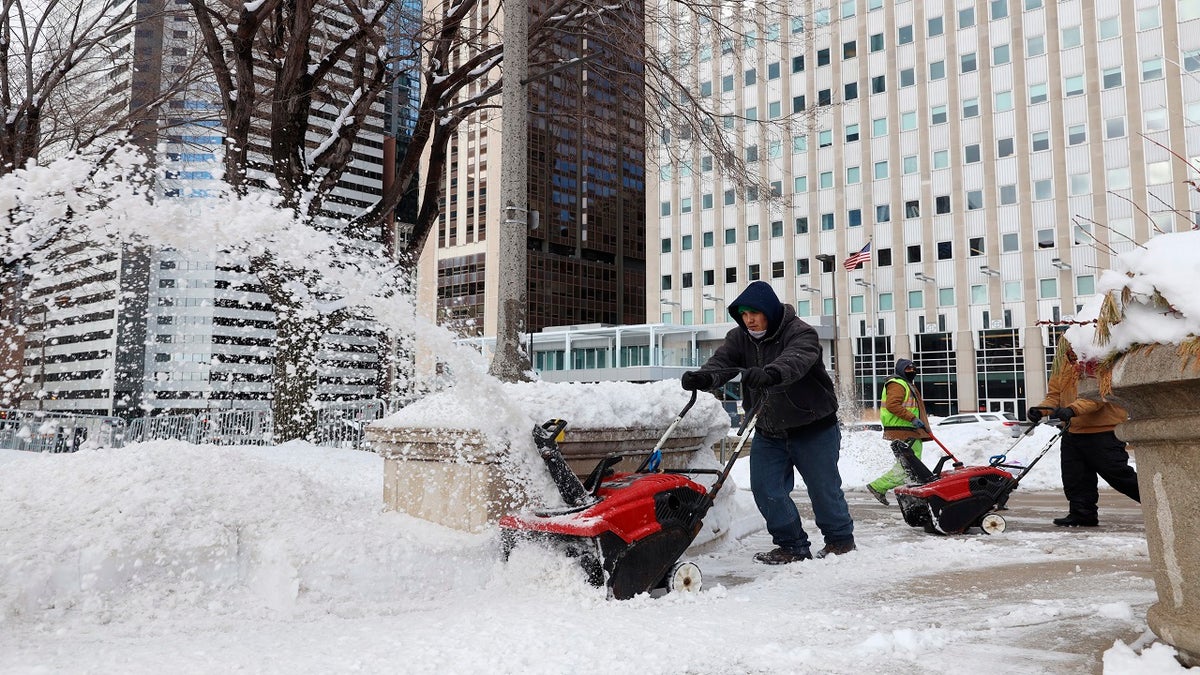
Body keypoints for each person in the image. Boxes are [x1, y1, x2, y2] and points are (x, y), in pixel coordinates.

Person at [680, 281, 855, 564]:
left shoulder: (800, 333)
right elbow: (722, 363)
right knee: (765, 488)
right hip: (769, 429)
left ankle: (840, 540)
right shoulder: (739, 338)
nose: (749, 319)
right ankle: (792, 545)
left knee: (823, 489)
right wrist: (704, 377)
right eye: (744, 314)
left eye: (755, 313)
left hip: (813, 427)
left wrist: (770, 374)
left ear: (770, 312)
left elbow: (795, 360)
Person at [1028, 339, 1140, 527]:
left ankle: (1160, 503)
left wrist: (1072, 410)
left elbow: (1098, 395)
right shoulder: (1063, 363)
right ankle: (1082, 513)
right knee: (1075, 477)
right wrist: (1041, 410)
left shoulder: (1099, 358)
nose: (1068, 349)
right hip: (1072, 431)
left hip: (1102, 432)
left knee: (1120, 477)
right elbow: (1054, 395)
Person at [865, 359, 932, 505]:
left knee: (911, 466)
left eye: (914, 369)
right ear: (901, 370)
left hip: (910, 430)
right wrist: (912, 418)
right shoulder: (897, 383)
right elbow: (892, 405)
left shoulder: (907, 384)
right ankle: (878, 486)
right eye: (908, 369)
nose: (912, 372)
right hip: (904, 430)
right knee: (910, 467)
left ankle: (913, 496)